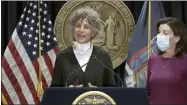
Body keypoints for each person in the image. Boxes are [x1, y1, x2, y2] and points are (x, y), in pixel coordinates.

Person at [51, 7, 116, 87]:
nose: (81, 30)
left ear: (93, 32)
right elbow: (54, 89)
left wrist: (98, 92)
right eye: (78, 26)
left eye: (86, 27)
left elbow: (112, 89)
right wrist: (66, 91)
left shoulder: (104, 56)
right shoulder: (62, 56)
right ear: (73, 29)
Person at [146, 17, 187, 104]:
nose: (160, 36)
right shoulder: (153, 59)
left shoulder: (184, 60)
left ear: (177, 38)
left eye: (165, 33)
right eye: (159, 32)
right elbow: (149, 91)